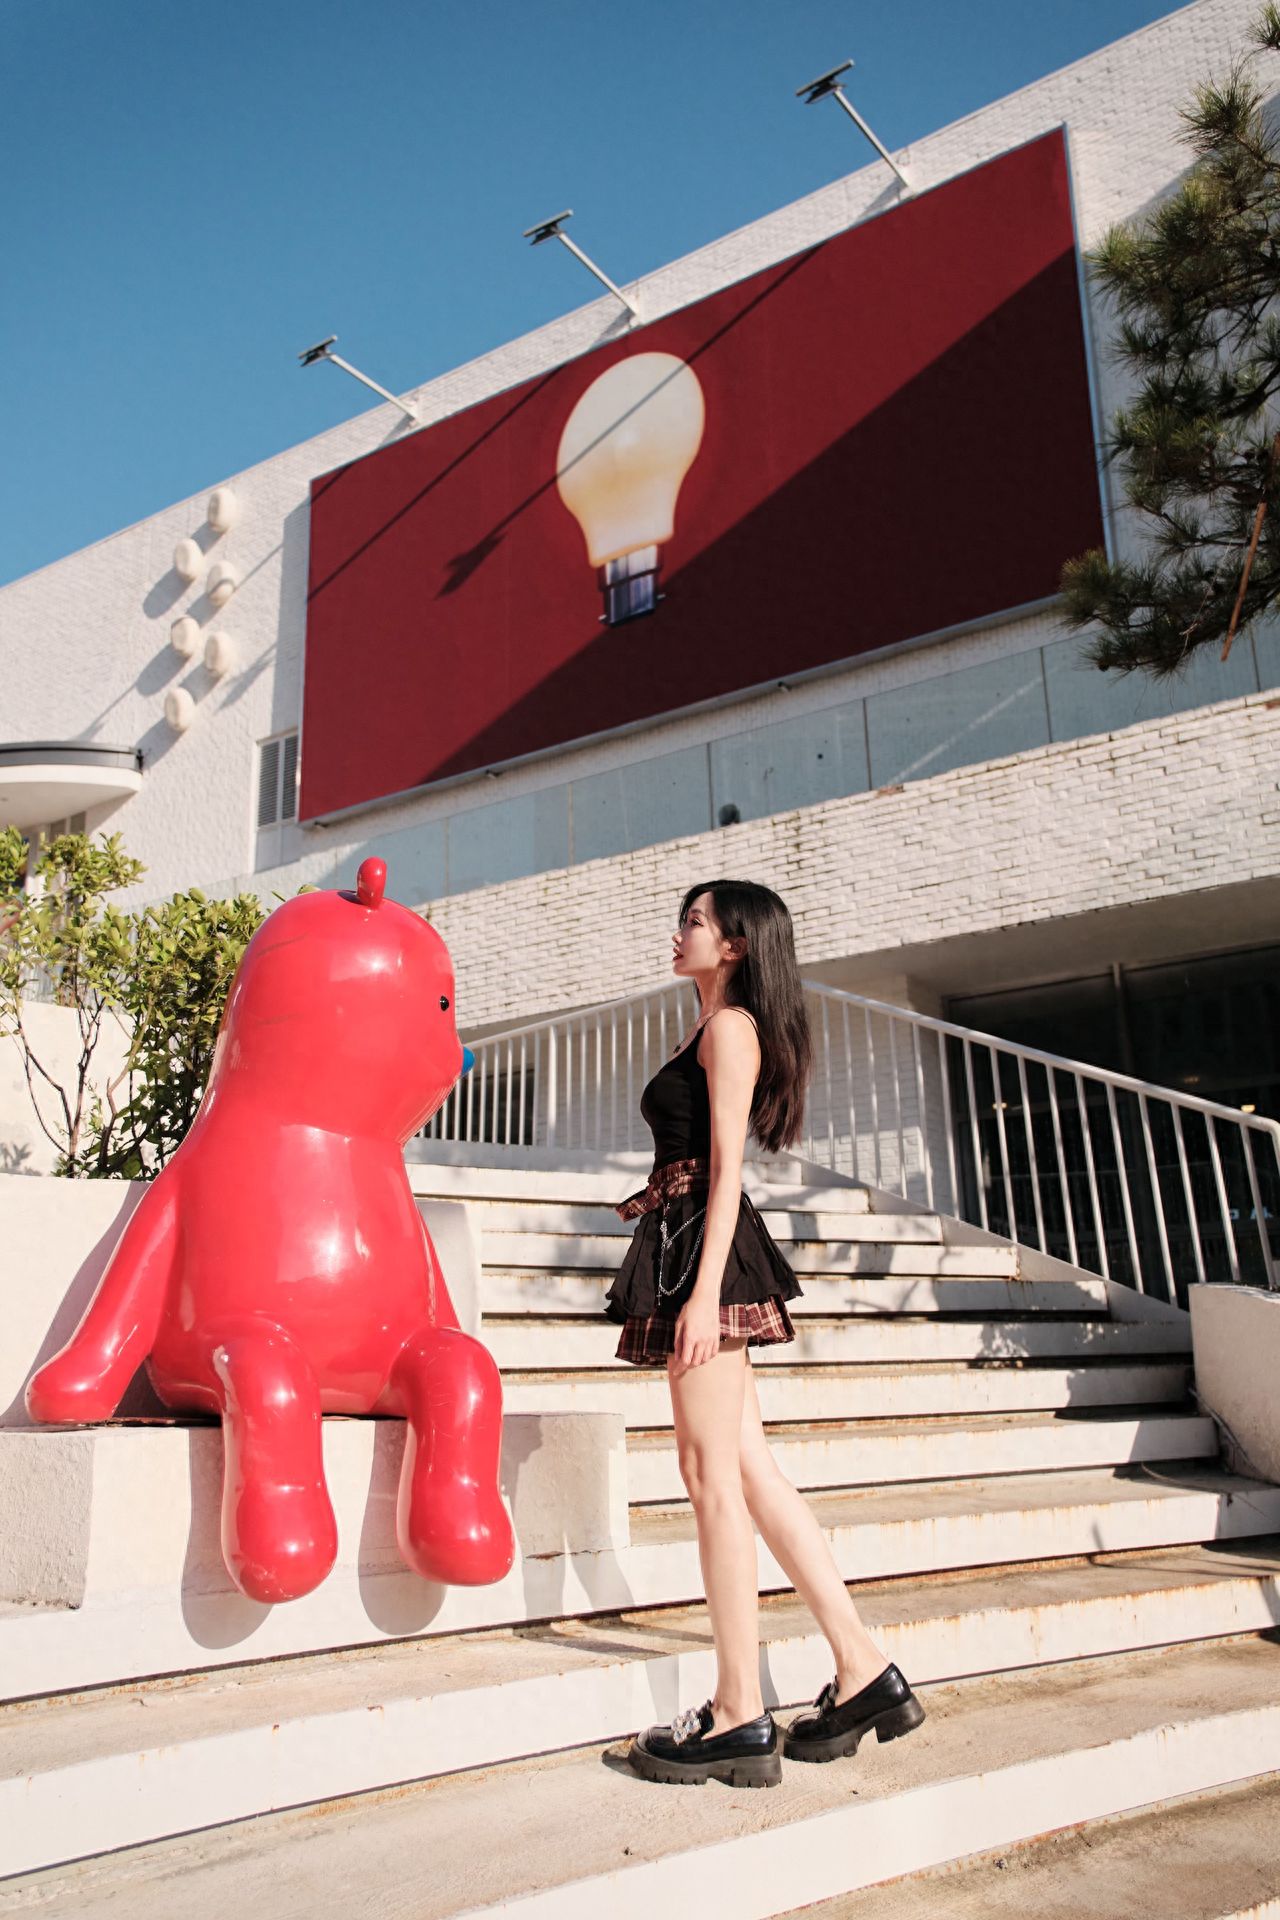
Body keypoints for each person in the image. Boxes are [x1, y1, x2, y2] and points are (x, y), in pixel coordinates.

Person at [607, 880, 925, 1789]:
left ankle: (738, 1710)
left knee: (709, 1474)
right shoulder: (708, 1027)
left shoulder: (730, 1031)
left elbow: (726, 1173)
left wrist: (703, 1294)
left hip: (703, 1256)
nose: (679, 932)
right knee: (748, 1470)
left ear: (737, 944)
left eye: (695, 922)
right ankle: (863, 1669)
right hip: (688, 1245)